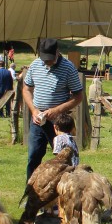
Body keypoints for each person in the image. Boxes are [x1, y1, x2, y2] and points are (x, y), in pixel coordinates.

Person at [22, 38, 84, 180]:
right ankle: (32, 195)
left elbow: (78, 96)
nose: (47, 62)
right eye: (44, 59)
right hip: (38, 120)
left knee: (65, 158)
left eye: (50, 59)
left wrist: (57, 110)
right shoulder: (35, 65)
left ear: (57, 53)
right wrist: (33, 110)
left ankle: (67, 191)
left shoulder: (68, 68)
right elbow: (26, 89)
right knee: (33, 156)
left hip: (59, 121)